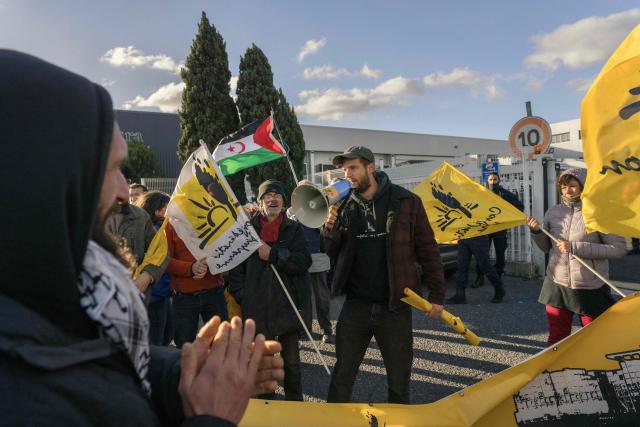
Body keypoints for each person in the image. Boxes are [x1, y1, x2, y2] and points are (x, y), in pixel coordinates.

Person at [0, 50, 283, 426]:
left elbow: (101, 370)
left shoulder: (72, 274)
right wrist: (212, 415)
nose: (125, 193)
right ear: (44, 176)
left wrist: (185, 372)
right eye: (112, 169)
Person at [323, 146, 446, 404]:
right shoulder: (343, 205)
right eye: (345, 170)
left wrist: (437, 295)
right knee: (342, 375)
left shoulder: (406, 201)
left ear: (371, 167)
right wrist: (330, 228)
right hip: (356, 305)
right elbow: (332, 251)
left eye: (353, 168)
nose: (348, 175)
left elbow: (427, 249)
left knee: (399, 380)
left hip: (395, 306)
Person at [228, 180, 312, 401]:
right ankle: (267, 406)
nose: (272, 199)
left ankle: (295, 406)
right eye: (267, 195)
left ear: (284, 201)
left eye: (277, 195)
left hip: (288, 306)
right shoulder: (247, 231)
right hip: (257, 309)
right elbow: (235, 271)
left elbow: (304, 262)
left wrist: (273, 254)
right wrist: (244, 298)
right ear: (260, 201)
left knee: (292, 362)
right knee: (263, 363)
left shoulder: (294, 229)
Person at [526, 168, 626, 347]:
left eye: (572, 186)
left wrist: (575, 248)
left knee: (596, 339)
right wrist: (536, 232)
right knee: (557, 338)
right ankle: (555, 373)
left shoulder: (599, 212)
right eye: (564, 187)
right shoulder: (554, 212)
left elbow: (618, 249)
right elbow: (545, 247)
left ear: (583, 187)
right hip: (557, 283)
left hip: (589, 286)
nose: (567, 191)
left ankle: (597, 372)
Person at [165, 218, 229, 349]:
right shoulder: (171, 223)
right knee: (185, 347)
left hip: (214, 293)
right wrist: (191, 268)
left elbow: (227, 250)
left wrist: (210, 264)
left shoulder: (215, 217)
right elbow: (164, 261)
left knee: (222, 343)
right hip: (184, 297)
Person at [287, 181, 333, 344]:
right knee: (303, 298)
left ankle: (326, 329)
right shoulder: (290, 211)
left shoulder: (320, 208)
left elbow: (326, 233)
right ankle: (305, 331)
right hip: (300, 259)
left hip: (318, 257)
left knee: (322, 297)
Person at [107, 185, 161, 294]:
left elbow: (160, 250)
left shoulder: (141, 217)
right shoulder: (91, 216)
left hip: (138, 292)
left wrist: (147, 275)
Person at [473, 172, 524, 288]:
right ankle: (479, 277)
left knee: (500, 254)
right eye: (490, 180)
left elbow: (519, 207)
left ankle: (498, 276)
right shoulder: (482, 194)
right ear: (487, 181)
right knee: (481, 254)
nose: (492, 182)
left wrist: (507, 217)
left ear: (499, 181)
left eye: (495, 179)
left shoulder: (505, 194)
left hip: (500, 229)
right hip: (486, 229)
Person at [137, 190, 174, 346]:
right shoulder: (152, 231)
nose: (170, 210)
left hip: (162, 293)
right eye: (167, 207)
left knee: (165, 334)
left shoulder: (162, 227)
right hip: (154, 294)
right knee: (156, 340)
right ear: (156, 209)